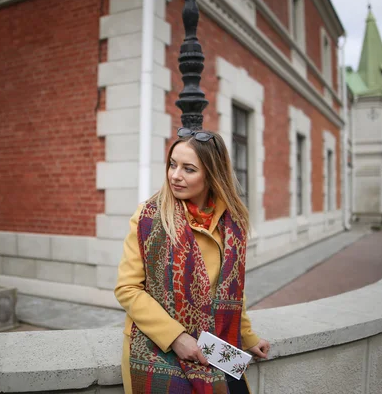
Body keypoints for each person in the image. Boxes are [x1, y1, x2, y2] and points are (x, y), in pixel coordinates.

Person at [115, 127, 270, 393]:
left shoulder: (232, 224)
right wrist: (175, 337)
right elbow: (127, 289)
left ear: (211, 174)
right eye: (173, 165)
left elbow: (232, 291)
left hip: (217, 345)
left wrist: (247, 336)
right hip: (160, 346)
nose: (175, 176)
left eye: (189, 169)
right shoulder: (149, 217)